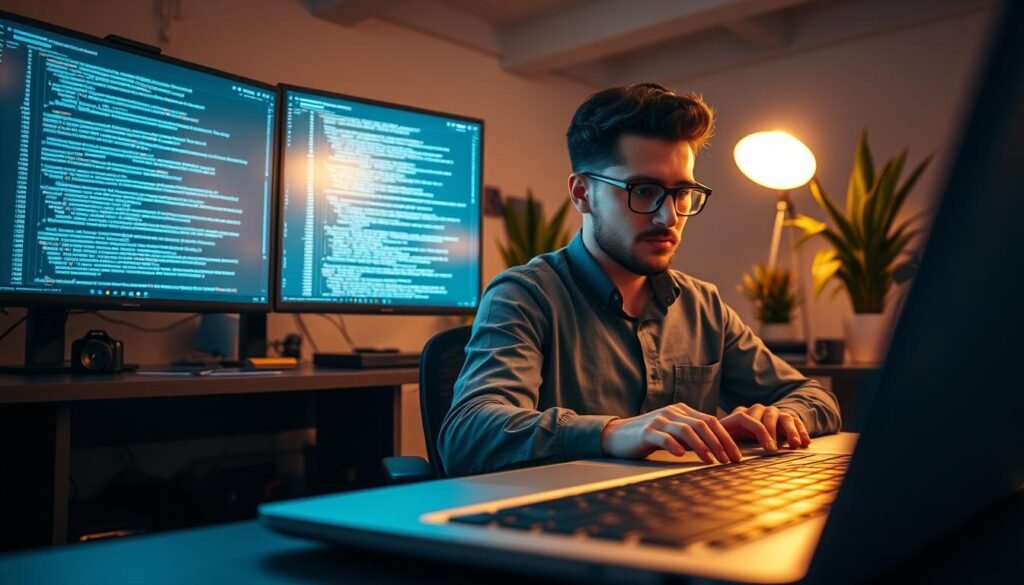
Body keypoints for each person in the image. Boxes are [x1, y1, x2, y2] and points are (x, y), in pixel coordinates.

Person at [438, 83, 841, 476]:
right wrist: (611, 432)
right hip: (561, 524)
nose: (669, 217)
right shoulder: (525, 296)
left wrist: (779, 418)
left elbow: (816, 398)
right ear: (582, 194)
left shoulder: (703, 306)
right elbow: (468, 434)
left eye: (682, 193)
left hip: (682, 510)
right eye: (643, 191)